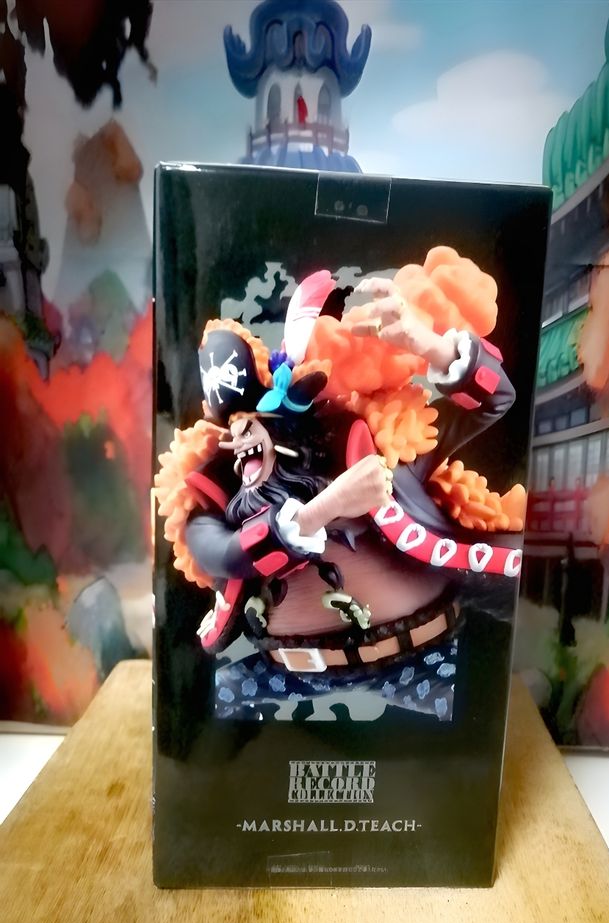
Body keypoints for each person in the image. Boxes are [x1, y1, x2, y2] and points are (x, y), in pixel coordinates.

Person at [155, 247, 526, 721]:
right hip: (281, 678)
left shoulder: (381, 449)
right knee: (203, 715)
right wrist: (324, 508)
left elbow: (497, 400)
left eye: (252, 424)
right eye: (232, 432)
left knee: (482, 711)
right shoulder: (220, 503)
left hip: (423, 663)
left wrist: (429, 344)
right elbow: (224, 554)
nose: (241, 440)